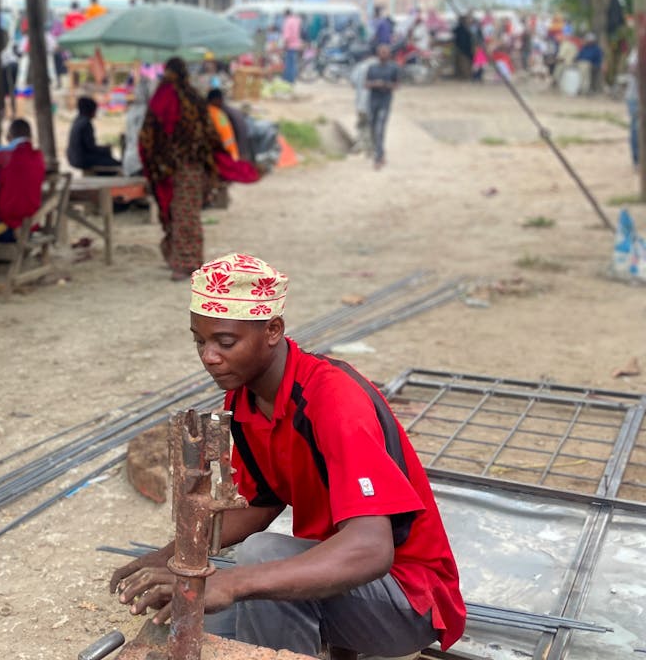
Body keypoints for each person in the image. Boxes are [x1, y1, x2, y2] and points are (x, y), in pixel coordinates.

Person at [108, 253, 466, 658]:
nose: (208, 356)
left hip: (408, 598)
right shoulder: (244, 398)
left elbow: (371, 549)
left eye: (225, 342)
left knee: (261, 560)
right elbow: (258, 505)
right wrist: (173, 555)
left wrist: (236, 583)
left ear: (274, 330)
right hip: (337, 575)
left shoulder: (332, 400)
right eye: (200, 341)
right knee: (190, 618)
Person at [139, 57, 225, 281]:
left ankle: (185, 263)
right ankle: (187, 259)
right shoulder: (195, 98)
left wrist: (154, 160)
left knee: (179, 213)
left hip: (171, 167)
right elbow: (209, 134)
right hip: (193, 165)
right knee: (187, 213)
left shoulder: (165, 95)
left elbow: (149, 132)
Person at [365, 44, 400, 170]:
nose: (383, 55)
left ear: (389, 54)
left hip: (385, 101)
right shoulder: (372, 68)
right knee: (373, 127)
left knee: (380, 128)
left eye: (385, 52)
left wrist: (386, 85)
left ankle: (378, 158)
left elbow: (397, 85)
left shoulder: (393, 68)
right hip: (373, 101)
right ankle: (380, 151)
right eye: (381, 52)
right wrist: (375, 84)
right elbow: (366, 83)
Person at [67, 96, 120, 173]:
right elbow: (91, 147)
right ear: (91, 110)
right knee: (116, 163)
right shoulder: (86, 123)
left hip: (73, 157)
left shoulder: (77, 120)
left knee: (107, 157)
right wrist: (106, 149)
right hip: (81, 159)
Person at [280, 8, 302, 83]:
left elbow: (287, 35)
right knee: (293, 63)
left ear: (286, 14)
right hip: (296, 44)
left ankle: (288, 80)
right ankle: (292, 79)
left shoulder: (288, 21)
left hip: (290, 45)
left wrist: (284, 44)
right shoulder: (297, 20)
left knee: (288, 63)